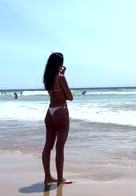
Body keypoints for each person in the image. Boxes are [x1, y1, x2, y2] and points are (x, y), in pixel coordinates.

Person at [42, 52, 74, 186]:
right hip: (61, 110)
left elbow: (54, 93)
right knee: (59, 147)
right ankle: (60, 179)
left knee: (48, 146)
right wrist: (63, 76)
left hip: (50, 112)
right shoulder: (60, 78)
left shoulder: (47, 78)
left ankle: (48, 177)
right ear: (60, 64)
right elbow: (70, 97)